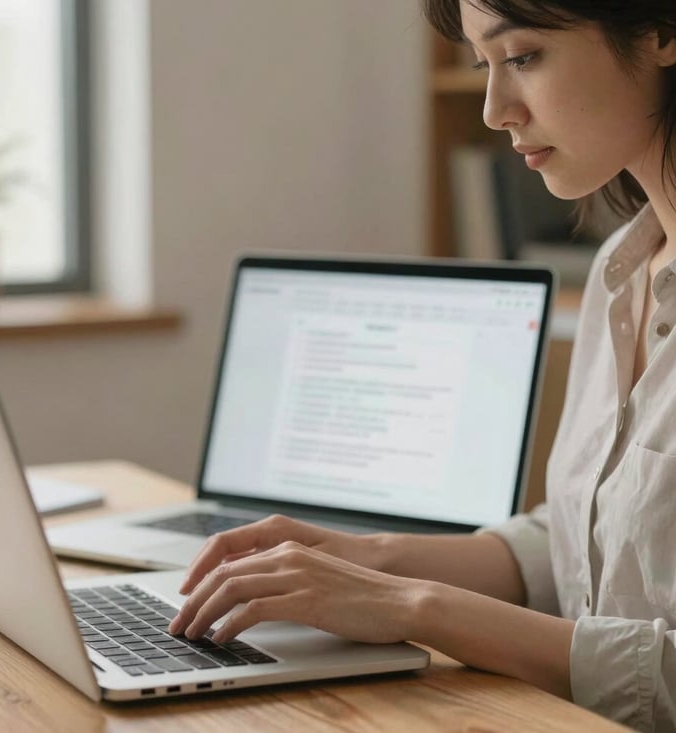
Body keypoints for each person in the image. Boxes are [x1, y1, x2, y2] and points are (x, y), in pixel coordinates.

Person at [169, 2, 676, 729]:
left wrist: (415, 606)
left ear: (661, 31)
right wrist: (366, 559)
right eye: (482, 66)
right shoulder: (619, 271)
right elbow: (584, 545)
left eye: (523, 56)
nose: (495, 110)